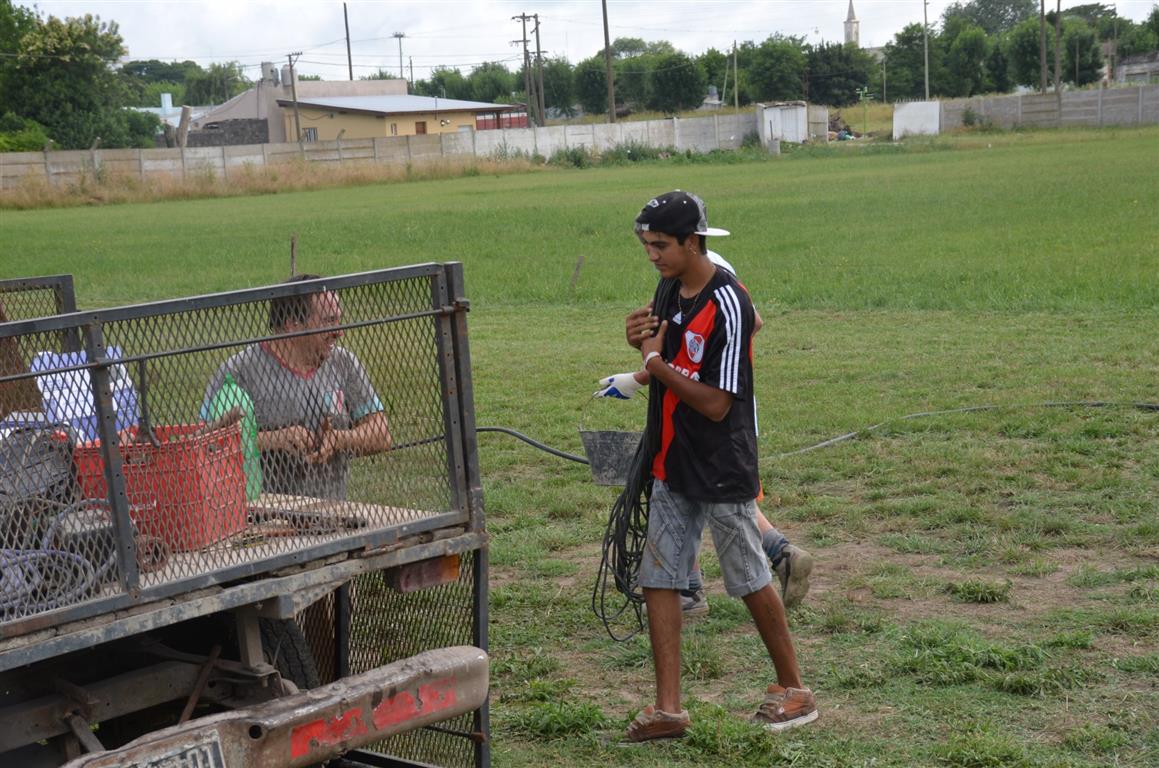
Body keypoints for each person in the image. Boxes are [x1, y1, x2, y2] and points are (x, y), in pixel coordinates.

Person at [621, 191, 818, 742]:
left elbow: (715, 403)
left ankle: (795, 690)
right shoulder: (669, 288)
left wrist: (654, 363)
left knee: (749, 578)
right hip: (672, 459)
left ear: (692, 242)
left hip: (720, 465)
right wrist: (639, 343)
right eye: (646, 245)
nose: (652, 255)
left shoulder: (729, 302)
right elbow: (662, 353)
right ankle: (668, 710)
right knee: (659, 578)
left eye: (661, 245)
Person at [596, 237, 813, 617]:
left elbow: (745, 323)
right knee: (697, 496)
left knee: (711, 497)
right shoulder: (676, 278)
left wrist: (663, 372)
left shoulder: (709, 274)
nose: (653, 254)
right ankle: (772, 557)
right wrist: (644, 370)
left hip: (713, 412)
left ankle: (703, 587)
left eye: (661, 243)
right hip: (691, 407)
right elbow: (673, 344)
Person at [202, 274, 392, 500]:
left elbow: (382, 434)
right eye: (329, 321)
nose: (340, 331)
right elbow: (204, 444)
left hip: (332, 512)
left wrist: (340, 439)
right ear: (292, 325)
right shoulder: (239, 372)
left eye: (339, 320)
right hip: (263, 514)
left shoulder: (343, 363)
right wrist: (272, 440)